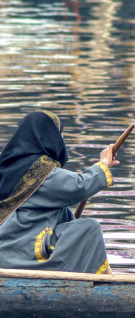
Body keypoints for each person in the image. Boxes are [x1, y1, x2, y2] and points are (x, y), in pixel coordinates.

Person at [0, 110, 118, 274]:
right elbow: (80, 186)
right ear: (49, 136)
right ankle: (98, 282)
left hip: (7, 251)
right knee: (89, 229)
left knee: (70, 223)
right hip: (23, 256)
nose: (61, 141)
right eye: (59, 135)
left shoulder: (6, 168)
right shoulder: (39, 171)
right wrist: (103, 163)